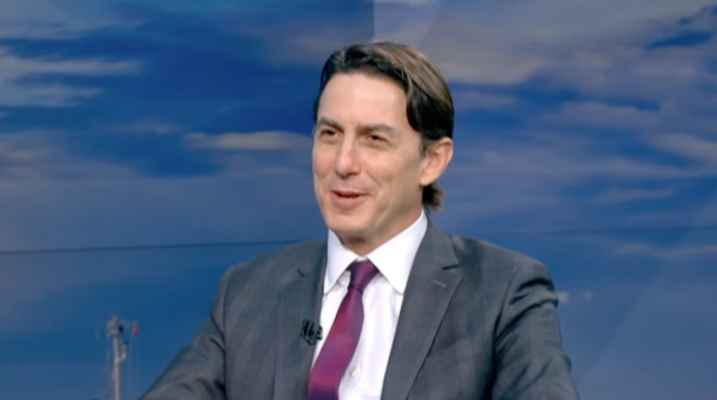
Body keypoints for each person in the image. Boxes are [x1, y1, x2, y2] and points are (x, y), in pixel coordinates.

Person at [143, 42, 578, 400]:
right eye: (330, 134)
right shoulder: (248, 291)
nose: (343, 163)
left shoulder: (503, 292)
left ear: (432, 160)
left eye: (374, 139)